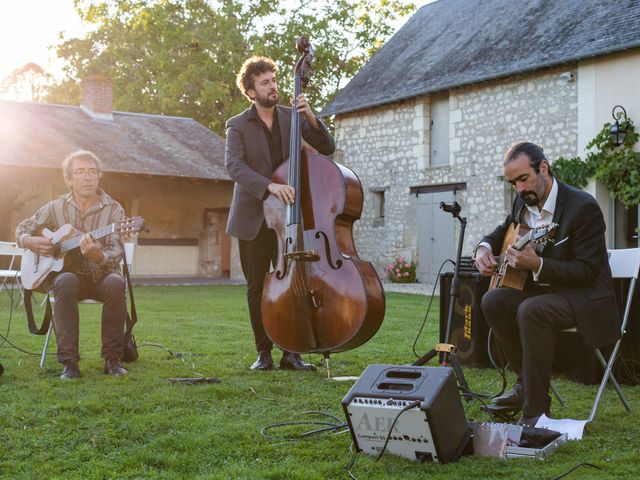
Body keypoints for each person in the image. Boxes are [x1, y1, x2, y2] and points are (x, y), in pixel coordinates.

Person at [475, 141, 619, 426]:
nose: (518, 188)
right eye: (512, 182)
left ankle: (535, 414)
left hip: (586, 297)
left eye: (523, 179)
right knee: (493, 301)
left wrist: (538, 265)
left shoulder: (583, 208)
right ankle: (524, 385)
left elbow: (588, 271)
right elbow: (503, 229)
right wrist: (483, 247)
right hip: (545, 293)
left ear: (543, 168)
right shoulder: (523, 201)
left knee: (532, 310)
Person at [225, 56, 335, 371]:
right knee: (257, 287)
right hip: (253, 219)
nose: (273, 87)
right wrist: (269, 187)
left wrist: (312, 118)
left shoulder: (292, 117)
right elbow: (235, 166)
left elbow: (327, 147)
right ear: (250, 91)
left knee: (293, 283)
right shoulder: (237, 125)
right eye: (264, 82)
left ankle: (292, 353)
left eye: (274, 80)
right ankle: (264, 353)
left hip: (289, 218)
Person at [16, 150, 128, 379]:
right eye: (80, 172)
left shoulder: (114, 209)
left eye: (92, 172)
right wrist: (29, 241)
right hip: (70, 275)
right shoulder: (55, 207)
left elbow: (116, 251)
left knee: (117, 282)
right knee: (64, 281)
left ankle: (113, 360)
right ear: (69, 179)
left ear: (98, 176)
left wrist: (98, 256)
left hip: (102, 276)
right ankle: (70, 363)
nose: (87, 177)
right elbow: (24, 227)